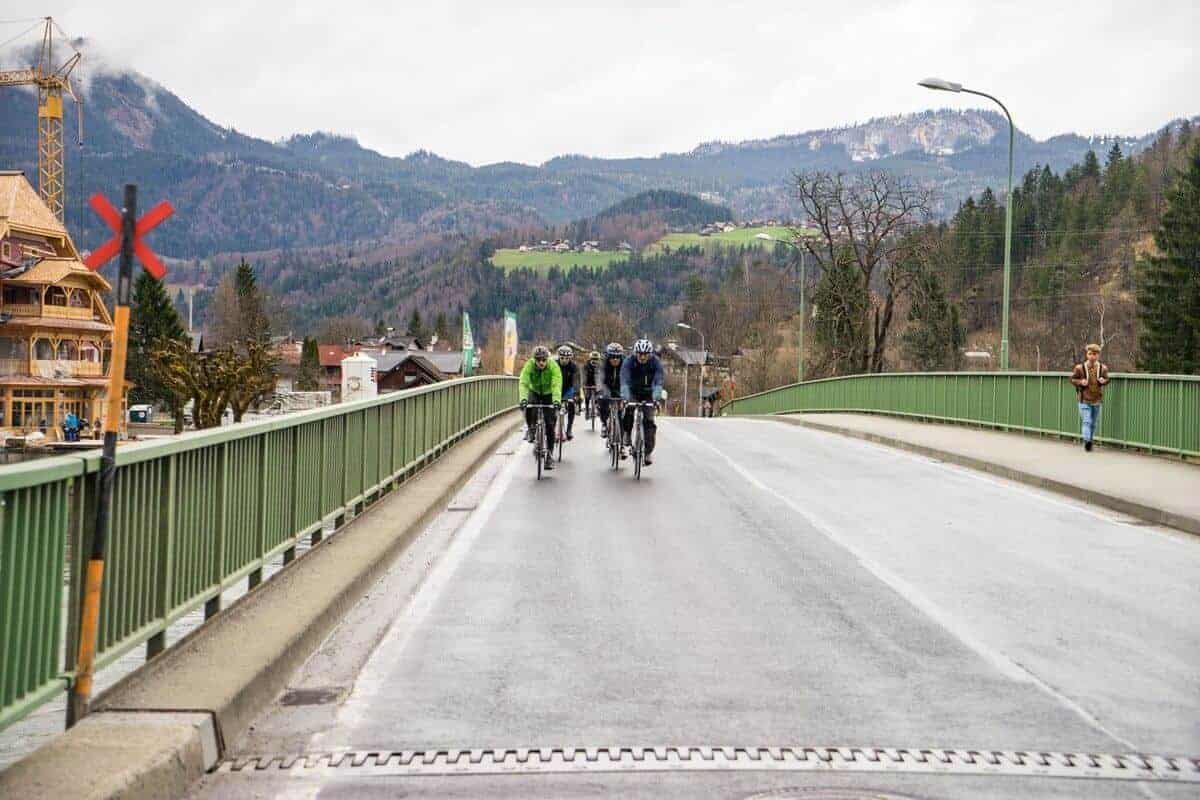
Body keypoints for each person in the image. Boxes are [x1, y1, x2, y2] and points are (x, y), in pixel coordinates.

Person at [620, 338, 664, 465]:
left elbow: (659, 380)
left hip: (649, 393)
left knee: (649, 421)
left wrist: (656, 397)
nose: (643, 357)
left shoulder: (655, 362)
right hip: (633, 392)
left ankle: (648, 452)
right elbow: (624, 379)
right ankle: (627, 434)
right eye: (640, 354)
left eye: (645, 354)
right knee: (628, 411)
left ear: (650, 354)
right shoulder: (629, 361)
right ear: (636, 353)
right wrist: (625, 396)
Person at [519, 345, 562, 470]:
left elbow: (556, 384)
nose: (541, 362)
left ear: (547, 359)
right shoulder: (529, 365)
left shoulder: (553, 366)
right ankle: (531, 429)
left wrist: (556, 401)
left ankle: (549, 455)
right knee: (529, 407)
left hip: (549, 394)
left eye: (544, 360)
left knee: (550, 425)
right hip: (535, 391)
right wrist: (523, 399)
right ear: (534, 360)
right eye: (538, 360)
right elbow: (524, 382)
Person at [1070, 343, 1109, 452]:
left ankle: (1090, 441)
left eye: (1095, 354)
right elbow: (1072, 379)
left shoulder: (1103, 368)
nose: (1092, 356)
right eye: (1090, 354)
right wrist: (1080, 382)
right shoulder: (1080, 368)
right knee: (1087, 421)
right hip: (1084, 400)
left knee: (1093, 423)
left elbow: (1107, 379)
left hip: (1097, 400)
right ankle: (1087, 441)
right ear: (1087, 354)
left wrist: (1104, 381)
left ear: (1098, 355)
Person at [597, 343, 624, 442]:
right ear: (608, 356)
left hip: (620, 388)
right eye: (612, 357)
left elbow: (628, 379)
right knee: (603, 400)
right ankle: (604, 424)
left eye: (618, 357)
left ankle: (621, 443)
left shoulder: (625, 364)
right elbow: (599, 378)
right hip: (606, 387)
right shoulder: (603, 364)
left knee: (621, 415)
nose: (615, 359)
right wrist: (600, 389)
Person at [556, 345, 579, 440]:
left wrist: (576, 394)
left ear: (570, 358)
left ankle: (569, 429)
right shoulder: (554, 364)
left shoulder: (574, 367)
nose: (564, 360)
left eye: (567, 358)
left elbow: (576, 381)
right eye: (562, 358)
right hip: (556, 388)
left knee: (571, 406)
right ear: (559, 357)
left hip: (568, 389)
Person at [582, 350, 600, 423]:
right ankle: (587, 409)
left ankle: (597, 407)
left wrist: (600, 384)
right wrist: (584, 384)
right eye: (593, 359)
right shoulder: (586, 365)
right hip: (588, 383)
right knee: (587, 396)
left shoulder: (600, 366)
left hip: (597, 383)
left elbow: (601, 376)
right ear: (590, 359)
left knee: (599, 396)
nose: (595, 360)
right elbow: (584, 375)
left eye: (596, 359)